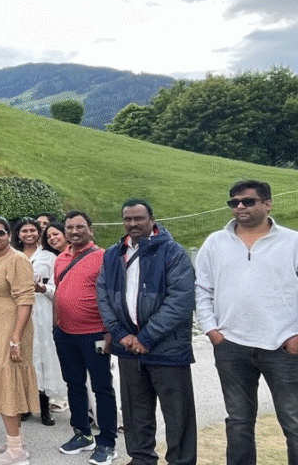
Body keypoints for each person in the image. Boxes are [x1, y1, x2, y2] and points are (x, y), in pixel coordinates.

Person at [195, 180, 298, 465]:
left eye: (248, 201)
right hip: (232, 347)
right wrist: (211, 329)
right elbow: (201, 288)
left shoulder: (292, 242)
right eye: (234, 202)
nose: (240, 206)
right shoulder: (215, 243)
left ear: (268, 204)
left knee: (294, 422)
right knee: (239, 422)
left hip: (283, 347)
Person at [98, 199, 197, 465]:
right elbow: (103, 295)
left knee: (178, 415)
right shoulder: (113, 254)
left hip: (167, 348)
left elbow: (181, 300)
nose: (133, 224)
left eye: (139, 218)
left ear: (152, 220)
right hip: (128, 348)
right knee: (135, 412)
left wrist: (147, 337)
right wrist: (120, 334)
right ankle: (141, 459)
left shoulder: (173, 252)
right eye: (127, 219)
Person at [53, 211, 118, 465]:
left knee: (102, 387)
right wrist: (56, 326)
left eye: (80, 226)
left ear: (91, 229)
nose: (74, 231)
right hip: (65, 334)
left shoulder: (103, 257)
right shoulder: (61, 258)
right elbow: (59, 292)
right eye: (70, 227)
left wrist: (111, 331)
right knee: (74, 384)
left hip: (95, 334)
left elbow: (113, 295)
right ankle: (82, 433)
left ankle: (107, 441)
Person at [0, 217, 39, 465]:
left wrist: (16, 338)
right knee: (3, 384)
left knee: (8, 386)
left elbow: (26, 300)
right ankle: (15, 441)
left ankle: (16, 452)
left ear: (10, 235)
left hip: (10, 331)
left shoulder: (17, 259)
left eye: (0, 233)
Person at [12, 218, 63, 427]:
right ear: (18, 234)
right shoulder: (12, 255)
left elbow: (58, 288)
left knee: (42, 355)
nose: (28, 234)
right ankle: (24, 405)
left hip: (41, 309)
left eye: (32, 230)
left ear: (38, 232)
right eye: (24, 231)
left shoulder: (49, 257)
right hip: (16, 309)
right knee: (23, 355)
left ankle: (44, 407)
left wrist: (43, 289)